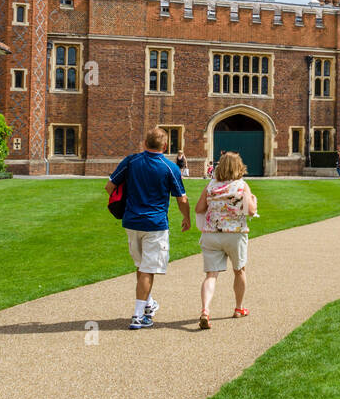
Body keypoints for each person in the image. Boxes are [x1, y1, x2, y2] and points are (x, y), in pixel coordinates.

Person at [106, 126, 190, 330]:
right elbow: (181, 198)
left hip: (131, 221)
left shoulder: (131, 161)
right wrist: (186, 218)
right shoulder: (170, 167)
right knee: (148, 270)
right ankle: (138, 315)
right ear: (166, 145)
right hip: (155, 224)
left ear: (145, 143)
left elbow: (110, 187)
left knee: (142, 266)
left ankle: (148, 304)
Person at [195, 150, 257, 329]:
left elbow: (199, 208)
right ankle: (239, 308)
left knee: (211, 275)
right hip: (235, 234)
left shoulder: (211, 186)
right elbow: (251, 211)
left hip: (211, 234)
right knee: (239, 271)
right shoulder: (241, 185)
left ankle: (205, 310)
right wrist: (250, 199)